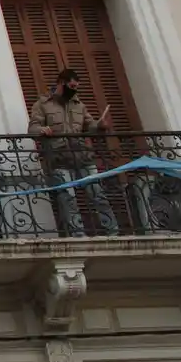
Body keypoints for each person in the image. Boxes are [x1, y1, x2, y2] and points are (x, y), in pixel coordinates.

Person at [31, 68, 118, 236]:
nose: (74, 90)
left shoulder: (79, 105)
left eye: (77, 87)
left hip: (83, 155)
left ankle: (112, 231)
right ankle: (77, 234)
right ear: (61, 83)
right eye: (72, 86)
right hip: (59, 157)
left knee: (98, 195)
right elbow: (32, 128)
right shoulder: (42, 104)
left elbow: (89, 126)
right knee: (67, 198)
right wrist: (42, 129)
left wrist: (100, 126)